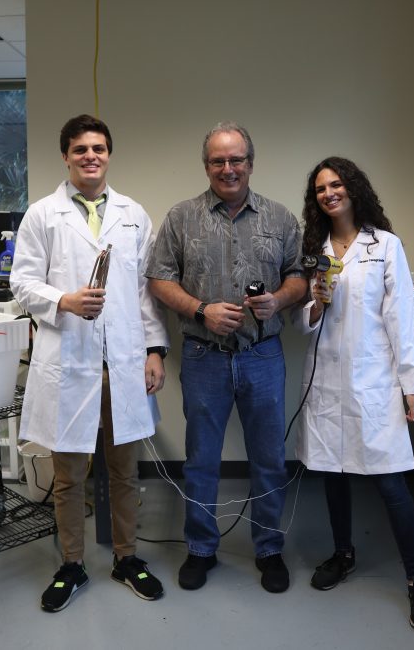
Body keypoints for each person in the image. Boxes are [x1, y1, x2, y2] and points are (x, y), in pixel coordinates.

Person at [10, 114, 169, 613]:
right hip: (70, 361)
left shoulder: (133, 214)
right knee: (69, 475)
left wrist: (153, 350)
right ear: (66, 156)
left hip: (120, 363)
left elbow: (145, 293)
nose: (91, 156)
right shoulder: (42, 214)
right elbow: (22, 283)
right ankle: (72, 564)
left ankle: (127, 558)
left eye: (98, 148)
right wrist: (65, 301)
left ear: (109, 153)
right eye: (80, 149)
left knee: (123, 472)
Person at [147, 122, 307, 593]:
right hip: (203, 356)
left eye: (236, 159)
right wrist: (200, 309)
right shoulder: (181, 218)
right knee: (201, 461)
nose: (228, 168)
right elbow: (158, 279)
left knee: (269, 459)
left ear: (251, 164)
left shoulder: (280, 219)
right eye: (218, 161)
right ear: (207, 166)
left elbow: (299, 276)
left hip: (262, 355)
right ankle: (201, 548)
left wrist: (277, 300)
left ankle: (269, 548)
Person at [293, 156, 414, 632]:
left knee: (391, 481)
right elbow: (305, 323)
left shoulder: (385, 245)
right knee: (332, 473)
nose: (329, 193)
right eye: (320, 189)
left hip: (374, 380)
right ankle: (343, 553)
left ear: (353, 189)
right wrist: (317, 303)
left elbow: (402, 317)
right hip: (328, 381)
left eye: (336, 185)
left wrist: (412, 384)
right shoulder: (313, 247)